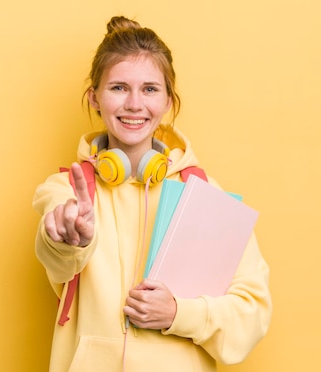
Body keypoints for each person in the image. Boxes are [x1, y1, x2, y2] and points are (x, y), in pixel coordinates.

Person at [33, 15, 271, 372]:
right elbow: (59, 257)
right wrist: (68, 239)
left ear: (168, 101)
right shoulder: (67, 190)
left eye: (149, 89)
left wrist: (179, 313)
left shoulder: (204, 196)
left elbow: (252, 312)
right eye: (118, 88)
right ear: (94, 98)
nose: (133, 104)